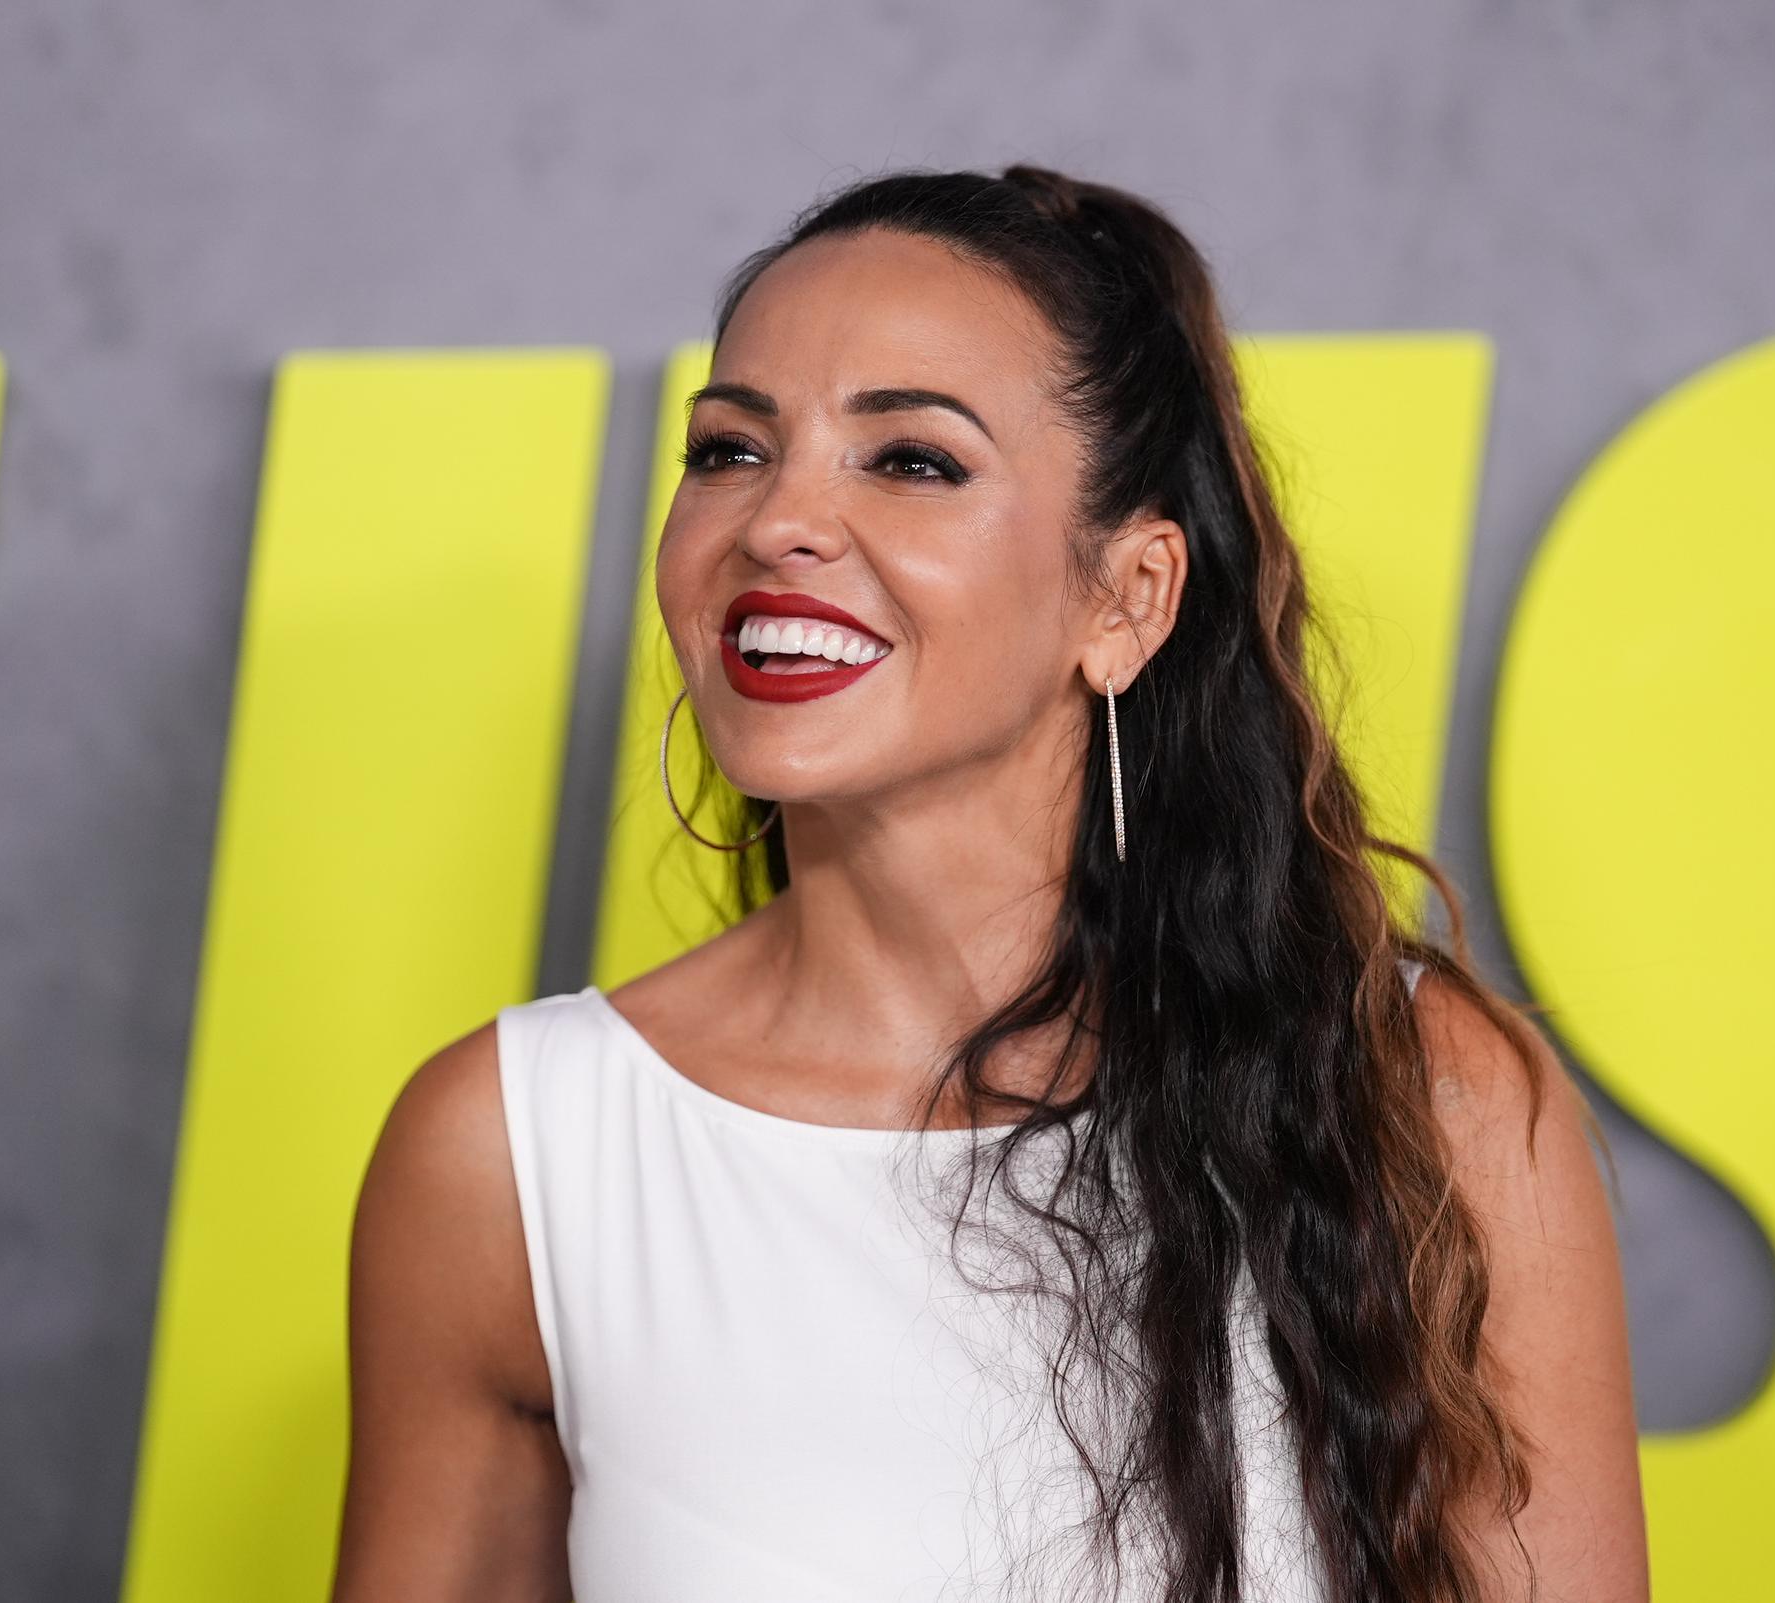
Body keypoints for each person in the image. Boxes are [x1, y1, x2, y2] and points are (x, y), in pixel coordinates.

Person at [329, 164, 1647, 1603]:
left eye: (910, 461)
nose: (777, 524)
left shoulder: (1419, 1092)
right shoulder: (509, 1154)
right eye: (728, 451)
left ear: (1126, 597)